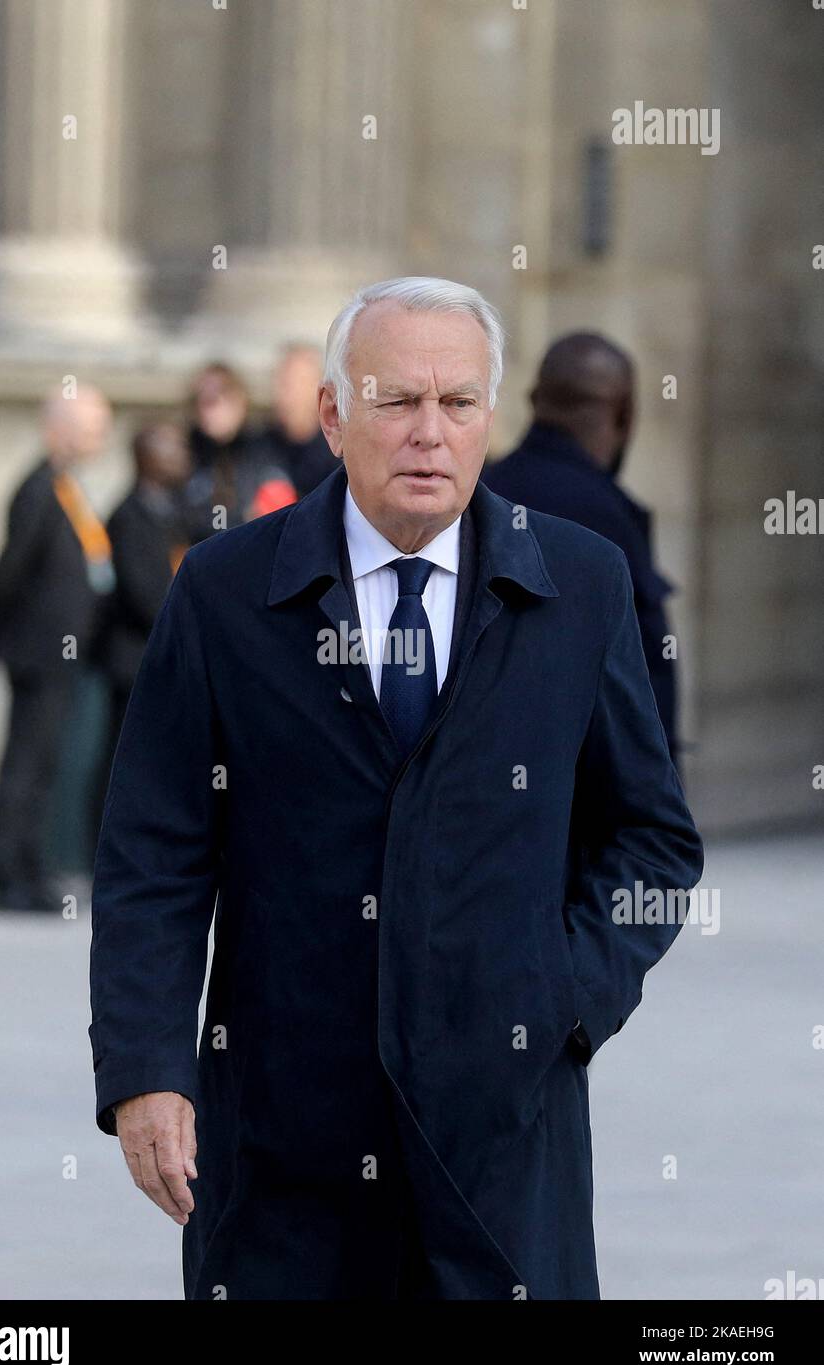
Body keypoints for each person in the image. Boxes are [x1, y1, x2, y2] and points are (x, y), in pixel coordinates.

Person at [89, 277, 703, 1301]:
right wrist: (148, 1069)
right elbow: (153, 851)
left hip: (501, 1149)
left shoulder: (580, 583)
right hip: (284, 1151)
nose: (431, 433)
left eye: (458, 403)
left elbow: (651, 838)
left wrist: (562, 999)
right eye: (395, 401)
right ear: (333, 415)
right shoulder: (226, 591)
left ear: (490, 420)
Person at [487, 333, 679, 761]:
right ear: (624, 414)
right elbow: (641, 685)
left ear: (534, 400)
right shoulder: (609, 517)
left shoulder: (482, 494)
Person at [0, 384, 113, 912]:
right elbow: (11, 569)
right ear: (59, 430)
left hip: (63, 652)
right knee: (27, 764)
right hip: (37, 651)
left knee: (44, 762)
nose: (98, 439)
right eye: (89, 428)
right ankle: (13, 874)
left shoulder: (65, 487)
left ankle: (28, 866)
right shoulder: (37, 488)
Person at [94, 420, 192, 780]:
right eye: (170, 446)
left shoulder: (172, 511)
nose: (182, 455)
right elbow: (146, 596)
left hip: (163, 657)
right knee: (124, 763)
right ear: (145, 455)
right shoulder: (129, 517)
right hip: (133, 663)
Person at [180, 363, 297, 541]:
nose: (211, 411)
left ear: (240, 402)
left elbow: (280, 513)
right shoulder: (186, 453)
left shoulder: (264, 451)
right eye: (203, 401)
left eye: (219, 398)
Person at [255, 343, 337, 497]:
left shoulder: (338, 451)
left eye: (299, 381)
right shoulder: (257, 447)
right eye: (283, 381)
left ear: (320, 390)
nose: (288, 392)